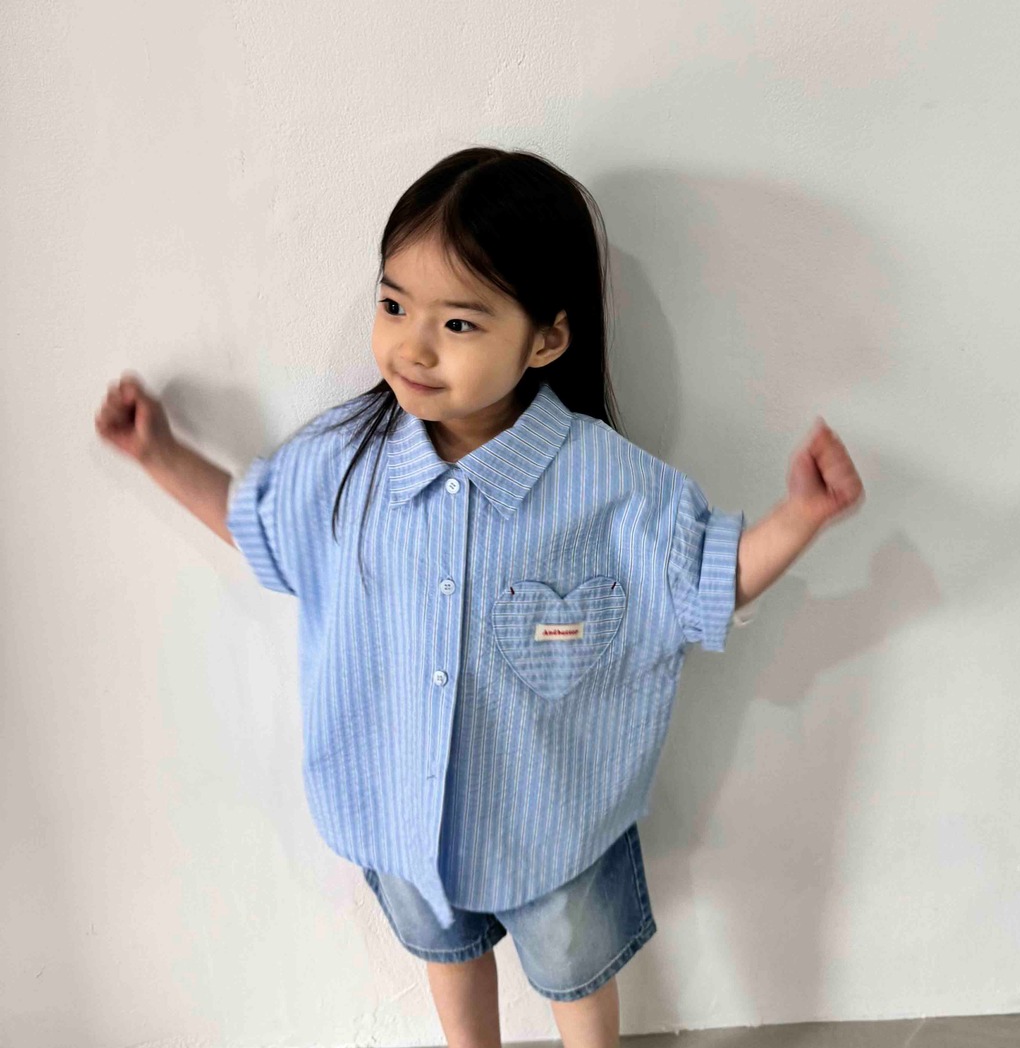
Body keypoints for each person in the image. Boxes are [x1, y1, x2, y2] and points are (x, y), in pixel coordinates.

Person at [94, 146, 865, 1048]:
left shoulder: (609, 485)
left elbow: (701, 578)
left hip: (555, 823)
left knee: (577, 972)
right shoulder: (343, 463)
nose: (412, 346)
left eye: (458, 323)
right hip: (399, 807)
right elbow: (260, 523)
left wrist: (800, 517)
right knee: (447, 955)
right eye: (393, 305)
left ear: (547, 339)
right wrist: (161, 454)